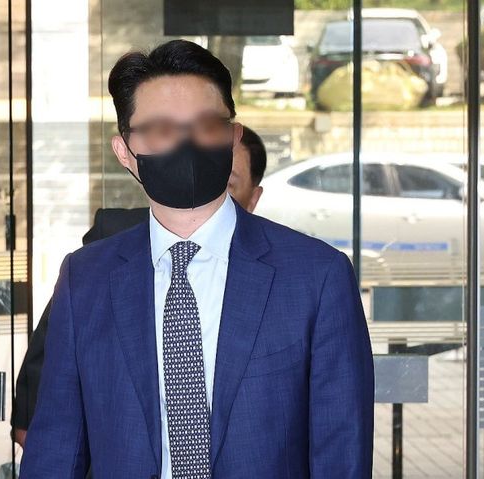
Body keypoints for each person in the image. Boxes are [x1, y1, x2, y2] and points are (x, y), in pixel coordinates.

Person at [20, 39, 374, 478]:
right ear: (125, 152)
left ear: (233, 136)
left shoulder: (316, 276)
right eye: (162, 130)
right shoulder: (86, 278)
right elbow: (56, 447)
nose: (186, 144)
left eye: (206, 125)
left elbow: (341, 448)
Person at [11, 125, 268, 448]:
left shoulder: (280, 273)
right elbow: (51, 354)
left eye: (227, 183)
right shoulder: (112, 241)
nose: (207, 186)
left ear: (253, 198)